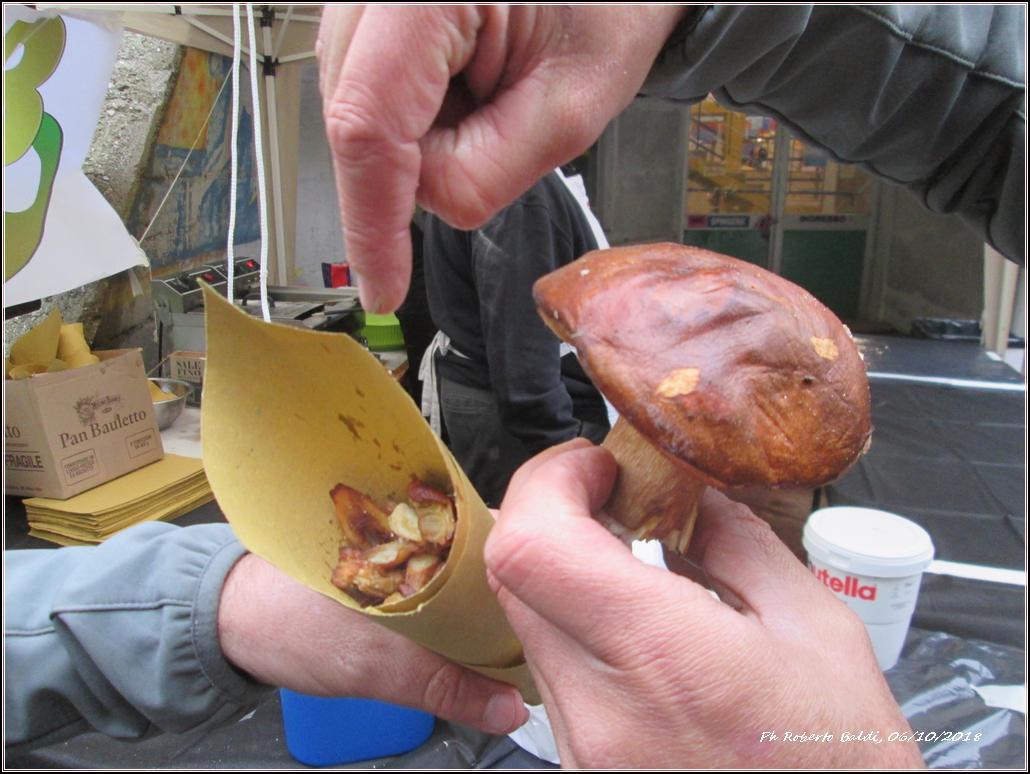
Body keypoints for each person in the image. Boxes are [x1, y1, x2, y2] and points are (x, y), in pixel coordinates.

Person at [5, 4, 1022, 766]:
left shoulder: (486, 186)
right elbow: (514, 333)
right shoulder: (522, 198)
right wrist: (543, 435)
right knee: (536, 557)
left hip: (473, 383)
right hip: (500, 395)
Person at [422, 168, 610, 507]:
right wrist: (568, 458)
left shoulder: (485, 171)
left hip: (497, 398)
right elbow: (523, 363)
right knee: (536, 533)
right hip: (518, 417)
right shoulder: (517, 193)